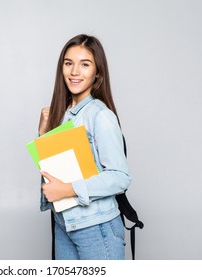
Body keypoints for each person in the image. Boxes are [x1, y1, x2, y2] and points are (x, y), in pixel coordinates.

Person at [38, 34, 131, 260]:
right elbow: (57, 171)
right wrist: (44, 135)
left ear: (97, 72)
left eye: (85, 64)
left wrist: (69, 190)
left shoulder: (100, 116)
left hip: (96, 229)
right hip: (66, 225)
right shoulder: (63, 114)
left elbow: (120, 177)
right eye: (68, 63)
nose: (74, 72)